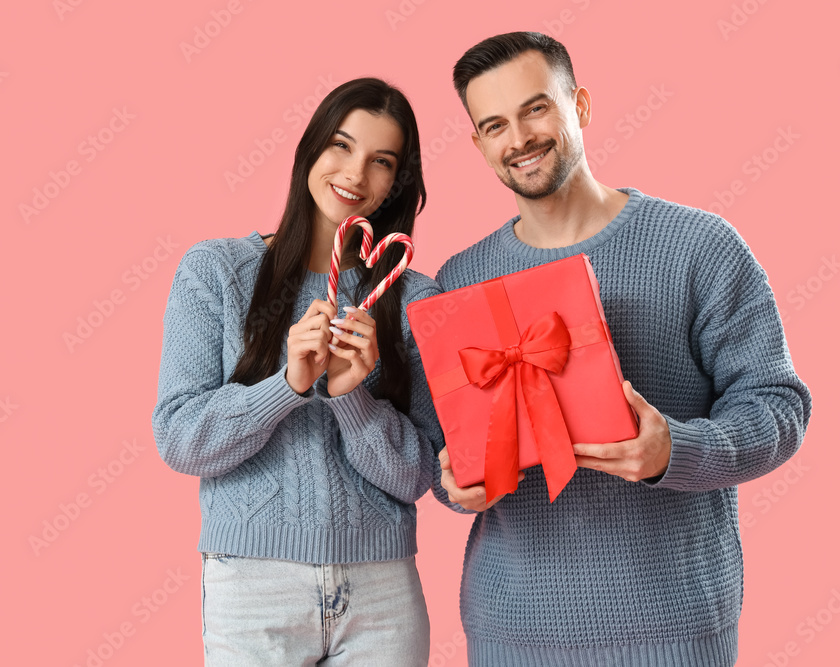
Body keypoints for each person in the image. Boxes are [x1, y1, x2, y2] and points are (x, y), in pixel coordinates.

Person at [433, 32, 812, 665]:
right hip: (512, 631)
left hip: (674, 628)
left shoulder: (700, 247)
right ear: (477, 144)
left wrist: (675, 450)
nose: (518, 138)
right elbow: (443, 453)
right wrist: (456, 483)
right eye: (494, 124)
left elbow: (779, 408)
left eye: (535, 108)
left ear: (579, 105)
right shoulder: (460, 279)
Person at [152, 77, 443, 665]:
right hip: (254, 585)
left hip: (382, 588)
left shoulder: (412, 298)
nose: (355, 174)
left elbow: (419, 474)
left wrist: (351, 397)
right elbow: (180, 440)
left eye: (380, 161)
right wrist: (286, 385)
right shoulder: (216, 273)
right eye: (340, 145)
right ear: (309, 148)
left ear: (397, 183)